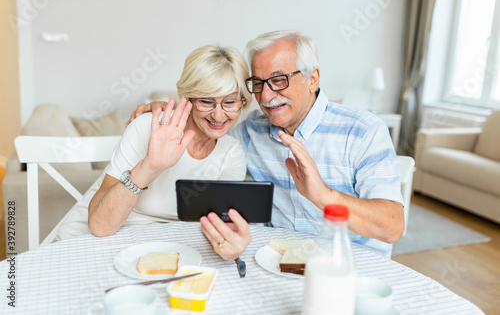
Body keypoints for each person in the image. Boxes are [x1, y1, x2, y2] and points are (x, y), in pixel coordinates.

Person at [128, 30, 405, 257]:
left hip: (350, 265)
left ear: (313, 78)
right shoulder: (249, 131)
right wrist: (173, 110)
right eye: (258, 83)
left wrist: (325, 196)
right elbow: (211, 122)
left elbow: (392, 226)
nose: (267, 95)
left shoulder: (363, 131)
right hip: (274, 261)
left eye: (279, 80)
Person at [57, 45, 253, 260]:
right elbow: (100, 226)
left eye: (230, 102)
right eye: (206, 101)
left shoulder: (231, 153)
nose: (218, 115)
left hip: (154, 251)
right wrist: (151, 165)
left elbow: (218, 228)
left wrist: (229, 243)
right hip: (86, 245)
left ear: (242, 102)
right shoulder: (147, 127)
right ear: (188, 97)